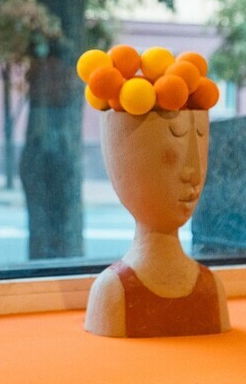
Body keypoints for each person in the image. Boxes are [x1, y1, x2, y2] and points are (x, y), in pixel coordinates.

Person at [84, 108, 230, 337]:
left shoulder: (211, 289)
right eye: (177, 135)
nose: (195, 172)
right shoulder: (114, 293)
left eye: (202, 140)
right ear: (120, 155)